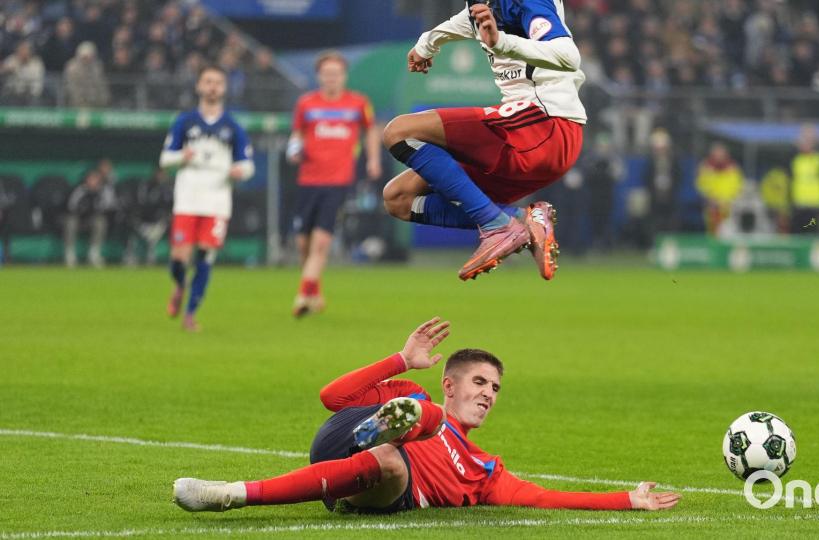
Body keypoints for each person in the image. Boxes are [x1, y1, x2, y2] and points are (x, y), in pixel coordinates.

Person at [173, 318, 681, 514]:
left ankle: (231, 494)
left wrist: (627, 501)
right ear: (451, 382)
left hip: (382, 485)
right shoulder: (409, 389)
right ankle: (388, 429)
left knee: (393, 460)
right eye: (479, 383)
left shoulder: (485, 472)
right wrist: (399, 359)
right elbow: (331, 397)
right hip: (338, 439)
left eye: (495, 389)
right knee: (417, 413)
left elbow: (546, 497)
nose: (488, 395)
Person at [381, 1, 587, 281]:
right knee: (398, 199)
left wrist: (501, 42)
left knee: (399, 132)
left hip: (546, 123)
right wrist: (426, 45)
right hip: (534, 144)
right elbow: (461, 22)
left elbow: (568, 56)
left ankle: (497, 225)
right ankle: (520, 220)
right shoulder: (481, 5)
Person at [159, 65, 254, 332]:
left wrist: (240, 171)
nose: (212, 87)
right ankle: (179, 284)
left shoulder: (233, 126)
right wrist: (181, 157)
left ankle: (190, 314)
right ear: (199, 86)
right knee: (179, 257)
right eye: (208, 82)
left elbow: (247, 165)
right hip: (188, 198)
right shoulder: (184, 122)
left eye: (217, 83)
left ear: (224, 89)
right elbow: (165, 159)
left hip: (217, 201)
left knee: (205, 256)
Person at [286, 50, 381, 317]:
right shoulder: (306, 104)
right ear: (319, 76)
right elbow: (297, 134)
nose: (331, 78)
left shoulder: (358, 103)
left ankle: (302, 295)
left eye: (336, 73)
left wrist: (373, 159)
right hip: (307, 180)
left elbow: (371, 129)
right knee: (303, 243)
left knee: (320, 242)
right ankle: (314, 293)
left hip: (338, 181)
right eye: (326, 74)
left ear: (344, 76)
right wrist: (294, 149)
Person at [63, 168, 117, 268]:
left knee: (100, 222)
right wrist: (83, 209)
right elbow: (70, 207)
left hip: (92, 221)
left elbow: (110, 207)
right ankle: (69, 254)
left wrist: (95, 207)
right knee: (70, 221)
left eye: (95, 179)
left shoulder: (104, 190)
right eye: (90, 178)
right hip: (78, 220)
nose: (92, 181)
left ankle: (93, 254)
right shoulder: (79, 190)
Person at [788, 125, 819, 234]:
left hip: (816, 205)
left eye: (809, 139)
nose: (806, 142)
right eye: (804, 139)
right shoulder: (794, 159)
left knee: (813, 230)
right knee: (797, 233)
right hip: (798, 204)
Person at [695, 142, 744, 235]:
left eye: (721, 154)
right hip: (712, 208)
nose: (719, 156)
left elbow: (738, 187)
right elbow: (701, 186)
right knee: (713, 233)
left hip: (730, 209)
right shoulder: (705, 168)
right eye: (717, 153)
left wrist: (730, 201)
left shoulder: (733, 169)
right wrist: (710, 198)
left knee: (728, 233)